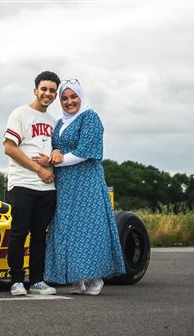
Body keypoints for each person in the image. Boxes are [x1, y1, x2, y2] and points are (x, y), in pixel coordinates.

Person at [38, 79, 125, 295]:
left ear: (81, 97)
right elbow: (57, 146)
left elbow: (84, 152)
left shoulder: (90, 117)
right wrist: (55, 153)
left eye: (73, 97)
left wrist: (53, 160)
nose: (69, 102)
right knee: (64, 228)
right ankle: (77, 279)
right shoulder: (60, 123)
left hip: (86, 180)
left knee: (87, 228)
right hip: (65, 183)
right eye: (64, 98)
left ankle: (95, 279)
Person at [2, 71, 60, 296]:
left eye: (52, 91)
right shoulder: (20, 114)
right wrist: (38, 169)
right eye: (44, 89)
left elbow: (57, 150)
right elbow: (9, 147)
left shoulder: (54, 122)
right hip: (23, 183)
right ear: (35, 90)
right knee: (19, 232)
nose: (47, 94)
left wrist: (55, 151)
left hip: (47, 187)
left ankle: (37, 280)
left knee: (39, 234)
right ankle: (17, 280)